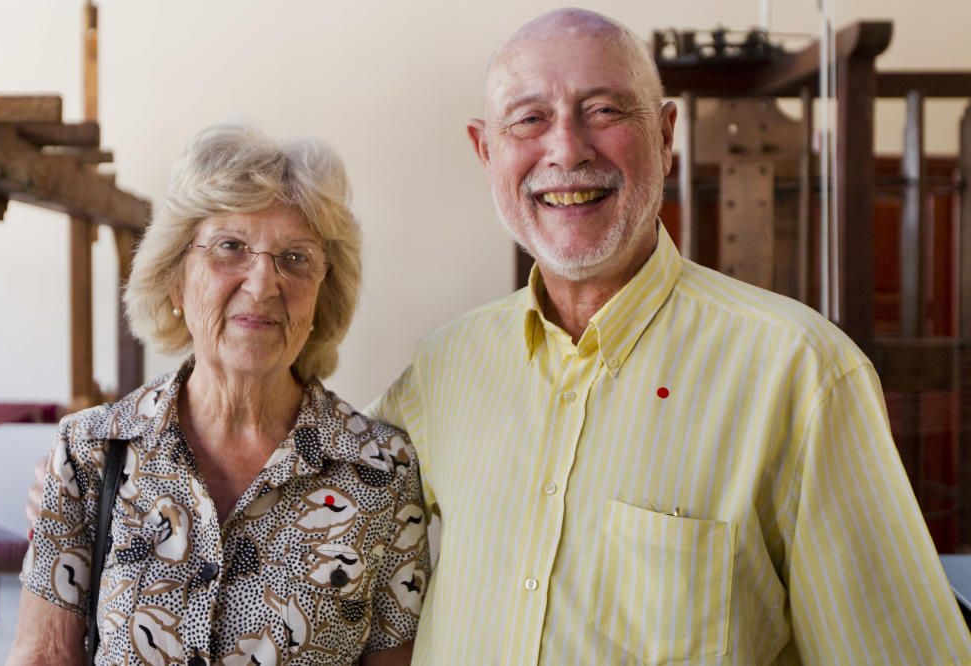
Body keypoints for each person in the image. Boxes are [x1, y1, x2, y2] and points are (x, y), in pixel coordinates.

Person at [367, 8, 971, 665]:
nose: (566, 150)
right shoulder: (441, 369)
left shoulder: (802, 373)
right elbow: (309, 490)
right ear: (487, 152)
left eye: (603, 110)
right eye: (530, 118)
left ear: (665, 135)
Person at [8, 124, 429, 666]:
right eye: (230, 247)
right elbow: (42, 657)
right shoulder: (90, 450)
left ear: (323, 294)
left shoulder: (382, 472)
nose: (262, 284)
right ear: (175, 281)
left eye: (295, 258)